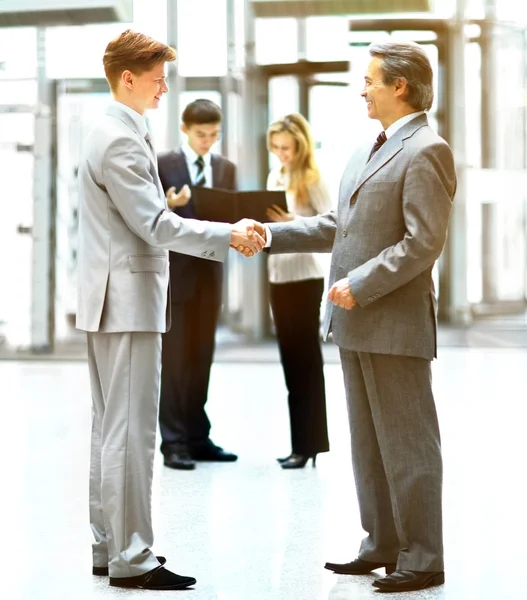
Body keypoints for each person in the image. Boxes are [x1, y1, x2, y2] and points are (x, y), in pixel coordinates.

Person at [258, 40, 456, 592]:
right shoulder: (368, 149)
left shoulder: (427, 150)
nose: (362, 89)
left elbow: (423, 243)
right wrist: (271, 233)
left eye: (370, 79)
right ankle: (382, 544)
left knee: (410, 444)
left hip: (391, 322)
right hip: (354, 322)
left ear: (400, 86)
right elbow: (335, 225)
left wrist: (360, 284)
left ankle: (424, 557)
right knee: (368, 443)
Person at [76, 29, 264, 591]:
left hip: (107, 299)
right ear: (127, 78)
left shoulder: (108, 130)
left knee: (108, 429)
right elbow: (156, 226)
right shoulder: (122, 140)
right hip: (128, 302)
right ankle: (133, 558)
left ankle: (108, 546)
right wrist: (227, 233)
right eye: (157, 78)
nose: (164, 87)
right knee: (131, 434)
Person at [157, 100, 238, 471]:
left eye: (214, 135)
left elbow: (230, 216)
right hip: (176, 276)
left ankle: (196, 437)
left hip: (210, 275)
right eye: (202, 135)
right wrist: (169, 206)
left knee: (201, 357)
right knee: (173, 360)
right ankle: (173, 442)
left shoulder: (225, 168)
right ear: (185, 130)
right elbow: (150, 216)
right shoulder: (163, 164)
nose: (208, 142)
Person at [265, 113, 330, 469]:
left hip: (305, 278)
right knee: (291, 362)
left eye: (286, 147)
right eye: (275, 147)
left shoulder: (313, 179)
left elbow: (333, 225)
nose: (280, 154)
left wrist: (294, 225)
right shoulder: (275, 176)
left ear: (300, 145)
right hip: (278, 277)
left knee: (306, 362)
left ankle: (310, 445)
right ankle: (300, 444)